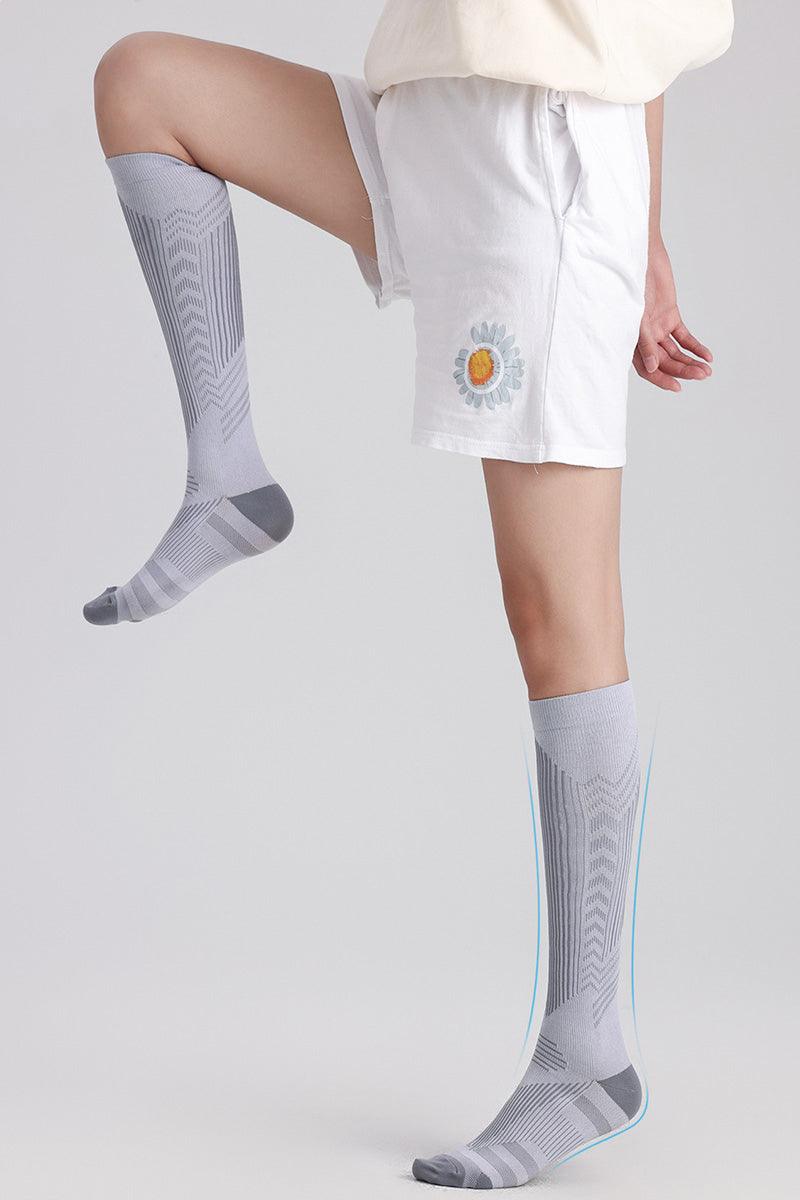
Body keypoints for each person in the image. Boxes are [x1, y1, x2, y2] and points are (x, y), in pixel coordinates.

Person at [84, 1, 734, 1188]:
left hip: (539, 161)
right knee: (145, 83)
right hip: (424, 120)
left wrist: (633, 228)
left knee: (557, 616)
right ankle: (226, 476)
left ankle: (586, 1052)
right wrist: (645, 235)